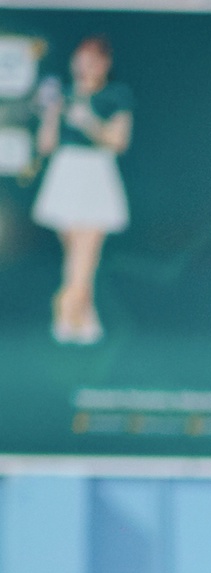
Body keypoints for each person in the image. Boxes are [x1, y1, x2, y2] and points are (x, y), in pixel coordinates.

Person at [32, 34, 133, 346]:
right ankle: (84, 323)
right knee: (74, 256)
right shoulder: (62, 93)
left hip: (96, 173)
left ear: (104, 64)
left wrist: (89, 121)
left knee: (85, 254)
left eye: (91, 61)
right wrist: (51, 111)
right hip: (66, 172)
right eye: (80, 59)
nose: (84, 66)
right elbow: (45, 145)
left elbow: (118, 142)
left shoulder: (117, 95)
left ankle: (65, 311)